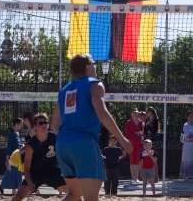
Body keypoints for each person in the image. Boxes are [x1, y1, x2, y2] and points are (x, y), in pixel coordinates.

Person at [51, 53, 133, 201]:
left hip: (63, 145)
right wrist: (122, 139)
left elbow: (54, 125)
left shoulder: (64, 90)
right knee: (90, 198)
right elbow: (102, 114)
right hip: (84, 143)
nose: (95, 67)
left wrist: (68, 138)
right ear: (88, 67)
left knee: (73, 195)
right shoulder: (94, 84)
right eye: (94, 64)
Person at [12, 113, 67, 201]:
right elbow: (26, 168)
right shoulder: (30, 145)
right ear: (35, 126)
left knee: (75, 194)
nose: (44, 125)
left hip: (53, 173)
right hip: (36, 174)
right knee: (19, 196)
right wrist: (30, 182)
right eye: (40, 123)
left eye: (45, 122)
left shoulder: (54, 137)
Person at [0, 118, 23, 195]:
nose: (22, 125)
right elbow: (8, 147)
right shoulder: (11, 134)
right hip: (13, 157)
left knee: (15, 173)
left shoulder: (17, 134)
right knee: (11, 172)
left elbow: (17, 144)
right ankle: (2, 186)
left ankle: (14, 191)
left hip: (17, 156)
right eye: (20, 124)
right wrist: (7, 159)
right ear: (16, 124)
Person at [179, 110, 193, 181]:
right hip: (187, 144)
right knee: (187, 158)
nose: (191, 117)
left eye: (192, 116)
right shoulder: (185, 125)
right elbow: (187, 135)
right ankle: (186, 175)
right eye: (189, 116)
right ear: (187, 117)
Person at [125, 107, 143, 183]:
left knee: (137, 159)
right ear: (131, 114)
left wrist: (140, 133)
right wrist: (135, 133)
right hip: (131, 141)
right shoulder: (129, 122)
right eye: (133, 113)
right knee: (132, 159)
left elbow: (142, 131)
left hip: (138, 141)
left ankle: (137, 177)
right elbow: (127, 133)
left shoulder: (140, 122)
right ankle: (133, 177)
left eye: (136, 113)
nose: (135, 114)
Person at [144, 106, 161, 183]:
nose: (146, 113)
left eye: (147, 112)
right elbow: (145, 132)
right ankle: (149, 177)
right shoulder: (147, 120)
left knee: (154, 160)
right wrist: (147, 126)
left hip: (153, 141)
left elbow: (154, 130)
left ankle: (156, 177)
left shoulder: (155, 120)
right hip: (148, 140)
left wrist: (148, 126)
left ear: (151, 112)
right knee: (147, 159)